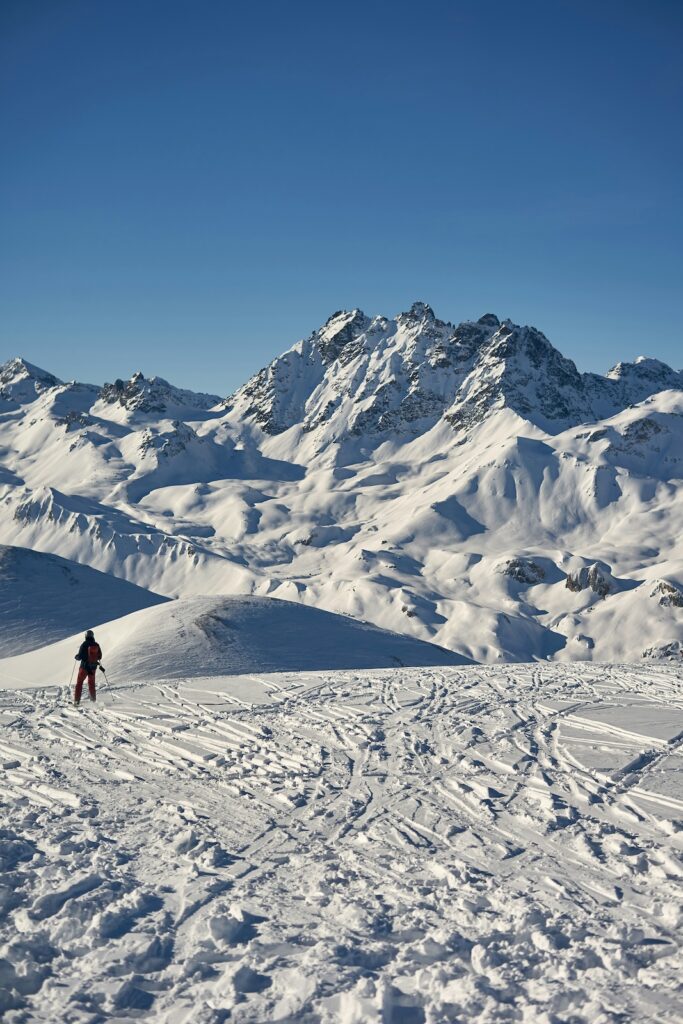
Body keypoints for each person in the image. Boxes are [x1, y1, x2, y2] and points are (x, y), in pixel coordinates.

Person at [74, 629, 104, 705]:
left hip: (84, 668)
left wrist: (76, 657)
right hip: (93, 668)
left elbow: (80, 656)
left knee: (79, 683)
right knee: (91, 684)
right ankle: (93, 701)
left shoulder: (84, 644)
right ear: (92, 636)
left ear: (86, 636)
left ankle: (76, 702)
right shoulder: (96, 645)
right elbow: (100, 656)